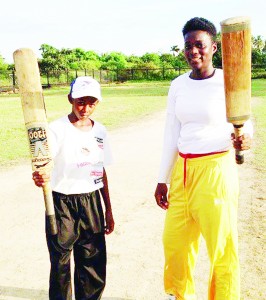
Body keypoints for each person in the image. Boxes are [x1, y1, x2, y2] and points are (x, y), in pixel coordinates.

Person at [154, 17, 253, 300]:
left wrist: (244, 140)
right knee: (175, 243)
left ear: (214, 47)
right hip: (183, 171)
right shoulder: (177, 85)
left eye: (200, 44)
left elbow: (246, 125)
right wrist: (162, 179)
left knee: (221, 246)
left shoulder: (229, 78)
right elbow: (171, 133)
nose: (193, 51)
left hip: (216, 170)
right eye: (188, 46)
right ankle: (179, 294)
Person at [32, 76, 115, 300]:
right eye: (80, 101)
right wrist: (41, 175)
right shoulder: (55, 129)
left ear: (98, 103)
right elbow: (43, 164)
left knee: (92, 260)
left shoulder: (101, 131)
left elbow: (101, 171)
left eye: (91, 102)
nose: (85, 108)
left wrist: (108, 209)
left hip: (91, 201)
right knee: (60, 262)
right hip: (61, 203)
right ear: (70, 98)